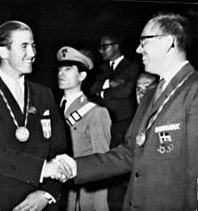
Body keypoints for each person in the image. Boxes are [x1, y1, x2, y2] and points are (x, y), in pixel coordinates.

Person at [55, 12, 198, 210]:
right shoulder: (149, 95)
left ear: (167, 43)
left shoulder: (194, 90)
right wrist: (74, 167)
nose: (139, 49)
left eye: (144, 41)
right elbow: (128, 153)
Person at [0, 20, 68, 211]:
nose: (33, 54)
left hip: (41, 203)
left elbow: (59, 148)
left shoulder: (44, 94)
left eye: (33, 46)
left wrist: (48, 193)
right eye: (24, 46)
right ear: (3, 52)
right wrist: (43, 169)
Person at [88, 32, 140, 211]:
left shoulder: (133, 66)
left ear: (116, 45)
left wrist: (102, 92)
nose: (101, 51)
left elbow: (127, 91)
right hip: (102, 125)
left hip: (123, 124)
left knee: (122, 169)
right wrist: (110, 84)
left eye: (105, 47)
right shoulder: (99, 69)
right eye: (100, 47)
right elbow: (90, 89)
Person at [57, 46, 111, 211]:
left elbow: (102, 166)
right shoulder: (51, 109)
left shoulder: (95, 112)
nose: (61, 73)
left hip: (78, 197)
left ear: (82, 75)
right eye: (60, 69)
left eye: (68, 69)